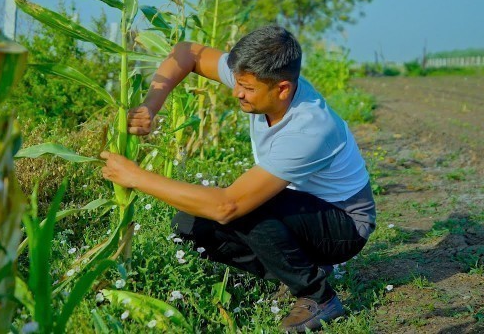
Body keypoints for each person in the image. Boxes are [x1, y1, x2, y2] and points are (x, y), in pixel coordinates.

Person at [100, 25, 376, 333]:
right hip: (300, 208)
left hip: (345, 225)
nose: (236, 92)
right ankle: (297, 271)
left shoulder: (310, 129)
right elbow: (186, 52)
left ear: (282, 89)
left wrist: (135, 176)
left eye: (246, 88)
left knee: (244, 209)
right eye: (237, 82)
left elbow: (228, 206)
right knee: (191, 224)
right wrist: (151, 105)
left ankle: (317, 296)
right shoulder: (259, 75)